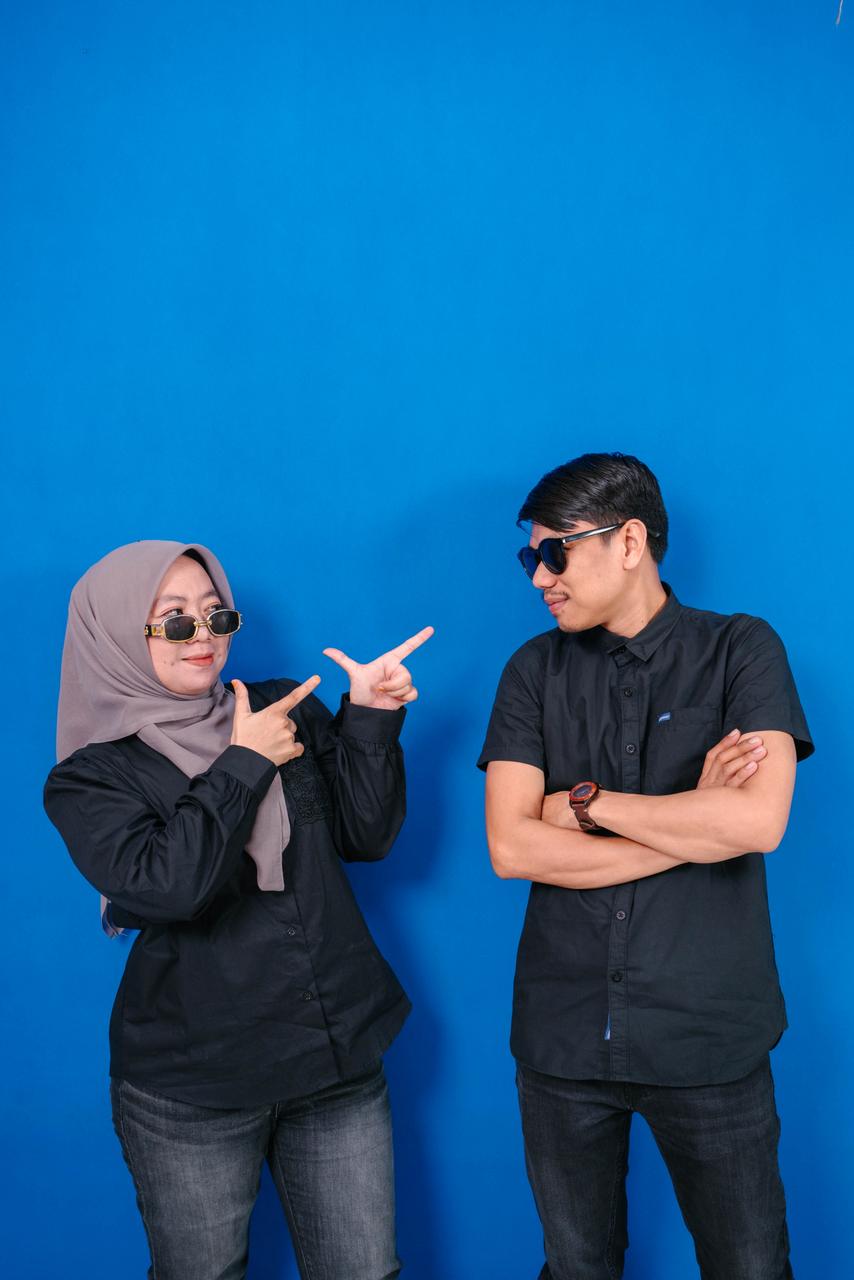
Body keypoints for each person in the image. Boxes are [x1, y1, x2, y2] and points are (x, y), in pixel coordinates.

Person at [44, 539, 433, 1280]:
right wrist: (245, 761)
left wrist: (371, 718)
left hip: (335, 1061)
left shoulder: (281, 707)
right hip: (195, 1088)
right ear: (119, 633)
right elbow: (168, 888)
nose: (205, 636)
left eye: (216, 615)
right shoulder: (92, 777)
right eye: (175, 621)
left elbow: (367, 837)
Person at [478, 453, 812, 1280]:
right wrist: (690, 820)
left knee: (750, 1268)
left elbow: (757, 823)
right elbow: (511, 847)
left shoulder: (742, 648)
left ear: (629, 542)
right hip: (562, 1041)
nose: (539, 577)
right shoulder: (531, 671)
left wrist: (585, 806)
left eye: (554, 553)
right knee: (576, 1268)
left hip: (708, 1036)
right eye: (529, 558)